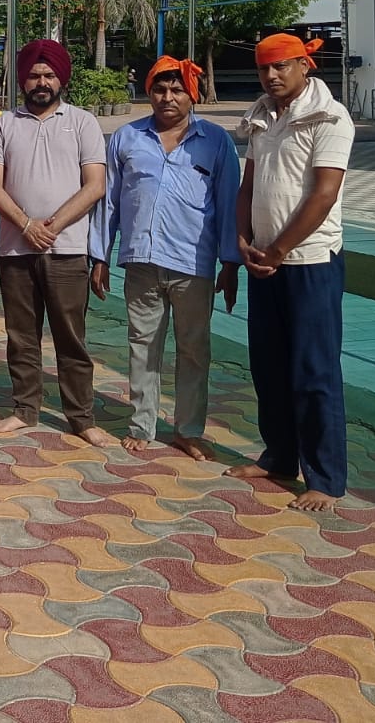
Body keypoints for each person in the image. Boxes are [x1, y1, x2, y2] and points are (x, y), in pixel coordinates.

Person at [227, 33, 355, 513]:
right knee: (269, 365)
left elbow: (323, 195)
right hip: (265, 262)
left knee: (314, 370)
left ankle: (324, 476)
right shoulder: (262, 116)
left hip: (310, 263)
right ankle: (280, 457)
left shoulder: (330, 117)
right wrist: (242, 239)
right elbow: (249, 187)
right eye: (264, 69)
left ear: (306, 65)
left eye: (281, 67)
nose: (272, 76)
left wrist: (279, 249)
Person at [90, 56, 241, 459]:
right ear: (149, 93)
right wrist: (99, 255)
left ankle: (188, 430)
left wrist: (231, 263)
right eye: (160, 89)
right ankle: (142, 424)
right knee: (143, 345)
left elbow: (229, 204)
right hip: (141, 261)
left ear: (191, 96)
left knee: (193, 350)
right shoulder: (126, 138)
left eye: (177, 90)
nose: (168, 97)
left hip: (194, 265)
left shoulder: (215, 141)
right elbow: (110, 202)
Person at [0, 39, 113, 445]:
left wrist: (51, 225)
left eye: (49, 75)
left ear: (61, 79)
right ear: (23, 79)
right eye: (35, 75)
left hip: (68, 248)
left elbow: (95, 185)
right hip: (16, 249)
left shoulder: (83, 122)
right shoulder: (5, 123)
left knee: (71, 336)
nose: (42, 81)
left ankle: (81, 415)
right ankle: (26, 407)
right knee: (21, 334)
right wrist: (25, 224)